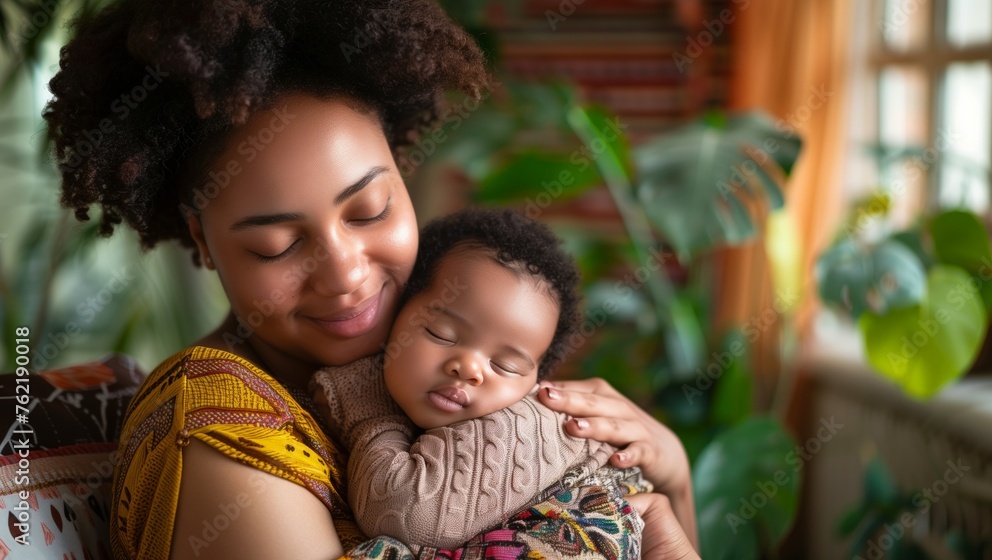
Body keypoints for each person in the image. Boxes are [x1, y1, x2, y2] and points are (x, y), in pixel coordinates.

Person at [41, 0, 699, 558]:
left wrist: (672, 474)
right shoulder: (219, 437)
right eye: (278, 243)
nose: (347, 274)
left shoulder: (433, 374)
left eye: (371, 210)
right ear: (202, 241)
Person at [312, 208, 652, 554]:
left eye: (505, 365)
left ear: (535, 381)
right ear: (394, 316)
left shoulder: (522, 424)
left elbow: (400, 514)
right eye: (440, 334)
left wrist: (368, 408)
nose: (469, 368)